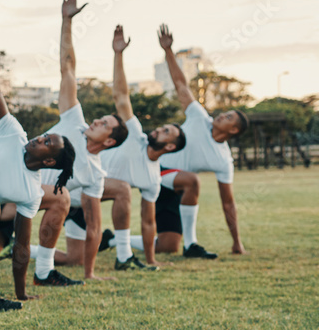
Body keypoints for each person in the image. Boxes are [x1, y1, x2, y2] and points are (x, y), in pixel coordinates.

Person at [0, 5, 78, 302]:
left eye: (47, 142)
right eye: (45, 135)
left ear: (48, 161)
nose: (39, 138)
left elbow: (21, 245)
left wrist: (20, 293)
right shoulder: (12, 134)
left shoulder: (30, 192)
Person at [27, 0, 129, 281]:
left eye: (104, 123)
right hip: (11, 190)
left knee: (76, 253)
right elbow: (67, 67)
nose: (96, 120)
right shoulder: (74, 120)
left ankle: (34, 260)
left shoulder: (94, 174)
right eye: (100, 118)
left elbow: (95, 226)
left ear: (109, 141)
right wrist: (67, 21)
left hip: (37, 202)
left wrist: (90, 273)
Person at [156, 24, 248, 258]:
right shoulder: (199, 117)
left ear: (233, 130)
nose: (221, 115)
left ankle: (112, 239)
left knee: (166, 246)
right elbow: (180, 85)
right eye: (225, 113)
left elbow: (228, 203)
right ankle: (192, 245)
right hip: (156, 167)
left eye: (228, 117)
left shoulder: (223, 160)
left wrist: (237, 242)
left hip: (175, 186)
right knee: (193, 180)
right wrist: (168, 50)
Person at [101, 24, 188, 269]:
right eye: (163, 127)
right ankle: (123, 255)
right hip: (77, 185)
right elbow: (121, 96)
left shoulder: (152, 179)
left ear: (169, 147)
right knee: (123, 190)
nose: (159, 129)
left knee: (73, 258)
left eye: (166, 132)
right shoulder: (135, 135)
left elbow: (148, 222)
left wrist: (151, 260)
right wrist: (118, 54)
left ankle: (122, 252)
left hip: (95, 198)